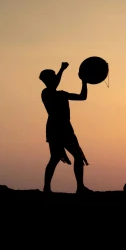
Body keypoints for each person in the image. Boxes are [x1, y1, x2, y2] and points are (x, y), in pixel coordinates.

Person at [40, 62, 92, 193]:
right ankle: (47, 187)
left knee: (77, 156)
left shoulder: (62, 94)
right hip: (55, 128)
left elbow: (82, 97)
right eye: (53, 76)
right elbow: (54, 85)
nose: (55, 78)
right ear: (47, 80)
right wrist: (62, 69)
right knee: (55, 158)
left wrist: (84, 82)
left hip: (65, 128)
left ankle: (80, 186)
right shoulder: (46, 93)